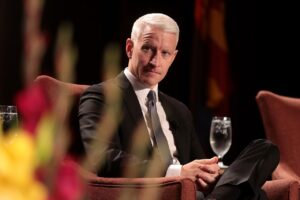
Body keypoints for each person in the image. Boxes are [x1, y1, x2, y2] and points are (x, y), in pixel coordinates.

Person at [78, 13, 279, 199]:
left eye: (165, 53)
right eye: (148, 48)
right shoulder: (101, 97)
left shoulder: (179, 110)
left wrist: (210, 172)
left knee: (265, 149)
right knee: (254, 194)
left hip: (192, 194)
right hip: (151, 193)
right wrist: (177, 172)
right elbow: (103, 158)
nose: (156, 61)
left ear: (173, 57)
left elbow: (199, 163)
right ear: (130, 48)